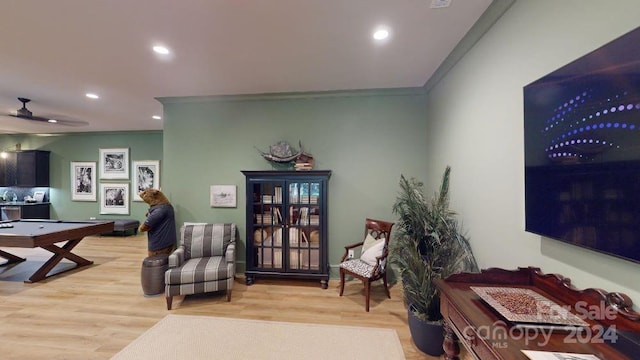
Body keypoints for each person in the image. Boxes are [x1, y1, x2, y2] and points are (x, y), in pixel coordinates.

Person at [138, 189, 177, 256]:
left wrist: (142, 227)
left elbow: (144, 227)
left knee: (154, 263)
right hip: (166, 242)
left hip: (159, 245)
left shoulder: (160, 210)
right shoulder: (166, 207)